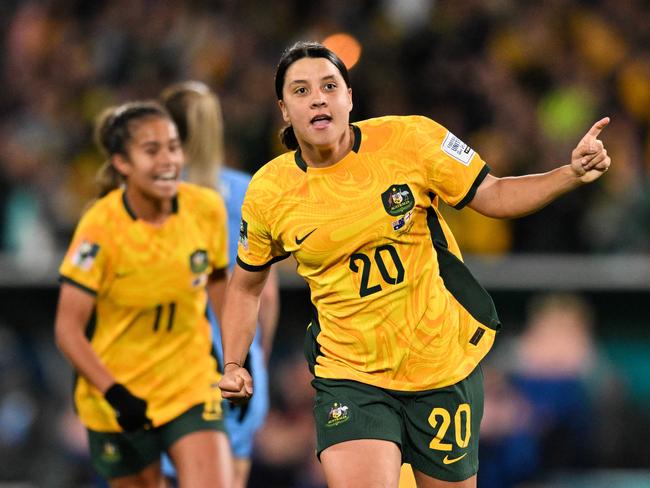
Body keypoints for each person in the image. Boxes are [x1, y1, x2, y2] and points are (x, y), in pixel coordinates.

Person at [217, 41, 611, 488]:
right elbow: (245, 286)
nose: (319, 98)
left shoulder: (413, 139)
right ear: (284, 110)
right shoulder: (269, 191)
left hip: (440, 365)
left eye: (329, 86)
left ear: (349, 97)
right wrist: (233, 363)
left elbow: (495, 194)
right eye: (301, 91)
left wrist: (569, 173)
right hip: (350, 374)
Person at [54, 100, 233, 487]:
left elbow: (218, 282)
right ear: (122, 163)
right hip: (117, 396)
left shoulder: (206, 209)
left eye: (173, 146)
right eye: (152, 151)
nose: (168, 160)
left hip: (190, 382)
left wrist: (235, 359)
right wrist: (116, 394)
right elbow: (67, 328)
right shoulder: (99, 227)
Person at [160, 80, 280, 488]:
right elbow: (267, 294)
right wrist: (254, 361)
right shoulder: (247, 190)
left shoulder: (153, 198)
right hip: (236, 363)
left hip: (173, 361)